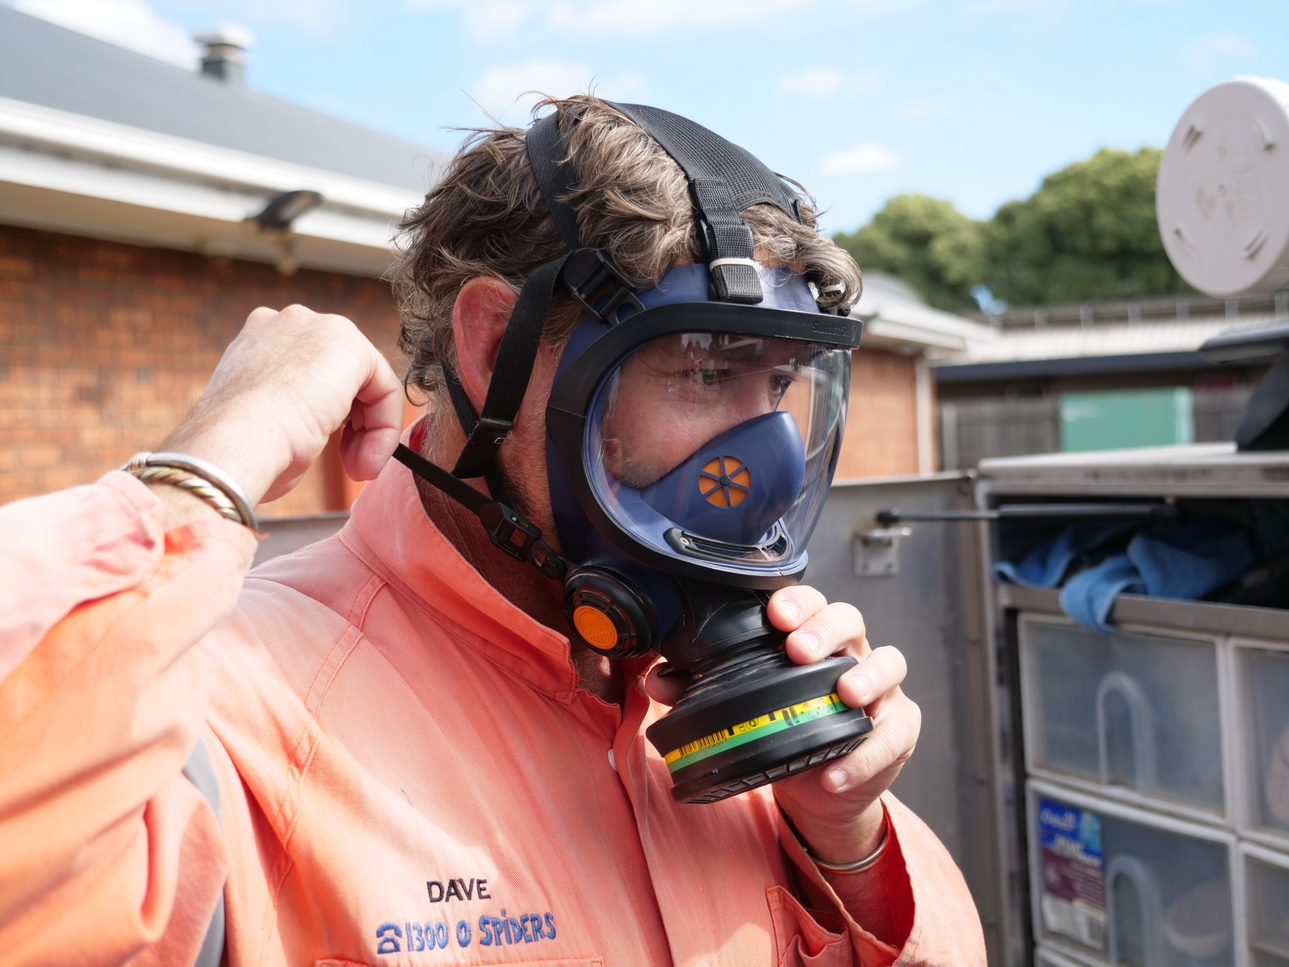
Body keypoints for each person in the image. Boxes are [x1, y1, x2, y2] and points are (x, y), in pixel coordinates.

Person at [0, 95, 985, 965]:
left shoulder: (736, 712)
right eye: (701, 371)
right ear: (489, 347)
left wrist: (846, 844)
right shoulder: (233, 703)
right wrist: (212, 453)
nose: (763, 452)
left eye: (778, 384)